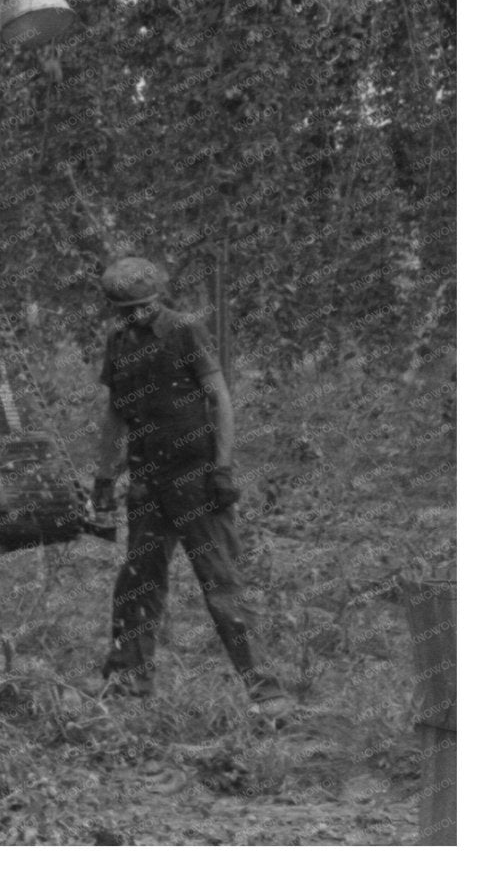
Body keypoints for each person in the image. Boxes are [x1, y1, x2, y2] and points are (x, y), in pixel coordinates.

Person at [91, 256, 291, 717]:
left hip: (197, 479)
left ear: (156, 299)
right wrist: (105, 475)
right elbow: (115, 414)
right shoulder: (118, 342)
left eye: (141, 307)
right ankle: (127, 687)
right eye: (125, 310)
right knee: (138, 584)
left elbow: (219, 397)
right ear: (114, 310)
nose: (134, 316)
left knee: (221, 585)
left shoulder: (185, 330)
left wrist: (222, 468)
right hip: (147, 481)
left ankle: (267, 694)